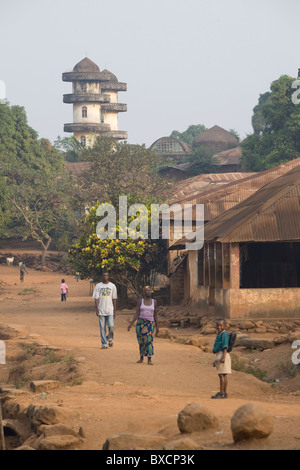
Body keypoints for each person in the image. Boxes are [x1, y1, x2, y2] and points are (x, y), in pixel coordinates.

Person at [128, 286, 159, 365]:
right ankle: (141, 357)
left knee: (148, 340)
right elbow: (137, 313)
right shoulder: (140, 301)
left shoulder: (154, 302)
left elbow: (155, 314)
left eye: (150, 291)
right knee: (141, 341)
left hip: (149, 323)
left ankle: (149, 359)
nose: (148, 292)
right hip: (140, 323)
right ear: (144, 292)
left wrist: (157, 326)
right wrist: (131, 323)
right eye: (146, 291)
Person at [93, 271, 117, 349]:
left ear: (108, 276)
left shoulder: (112, 286)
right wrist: (97, 310)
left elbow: (114, 299)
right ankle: (104, 343)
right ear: (101, 276)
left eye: (106, 275)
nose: (105, 277)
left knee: (111, 326)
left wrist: (114, 310)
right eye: (104, 275)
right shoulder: (98, 286)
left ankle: (109, 338)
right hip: (101, 310)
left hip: (110, 310)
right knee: (102, 328)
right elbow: (96, 299)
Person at [211, 318, 231, 399]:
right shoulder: (220, 334)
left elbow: (225, 346)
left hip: (223, 354)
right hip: (220, 354)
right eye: (217, 325)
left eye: (221, 325)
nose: (219, 327)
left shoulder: (224, 334)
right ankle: (224, 393)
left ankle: (222, 393)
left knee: (221, 375)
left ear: (224, 326)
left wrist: (223, 357)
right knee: (223, 375)